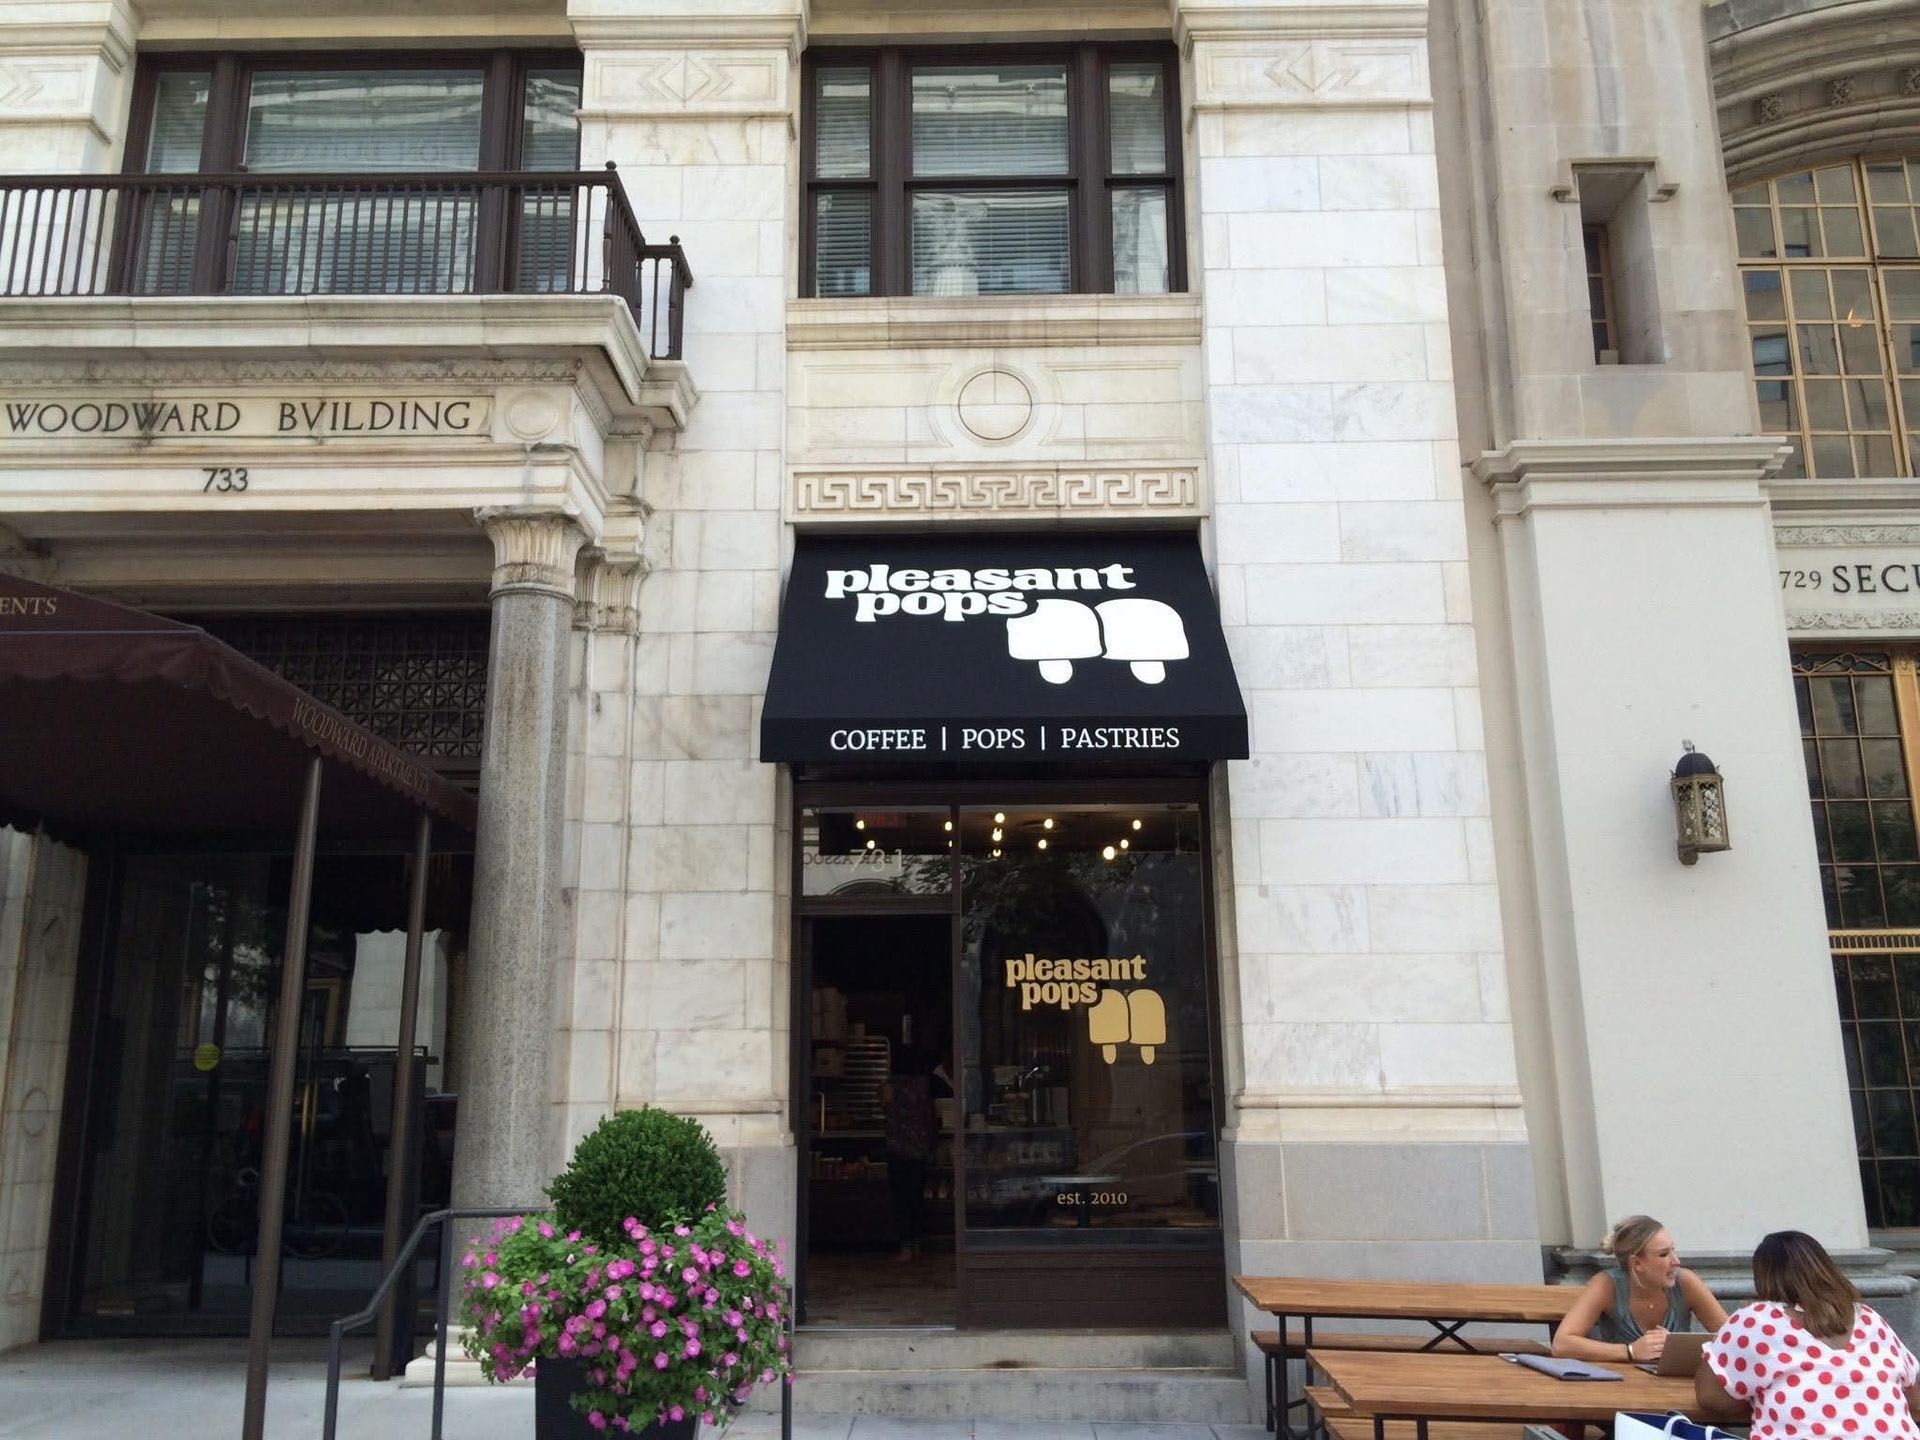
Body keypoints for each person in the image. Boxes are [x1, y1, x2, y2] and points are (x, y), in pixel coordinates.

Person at [1698, 1230, 1920, 1438]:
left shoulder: (1756, 1320)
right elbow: (1912, 1396)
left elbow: (1711, 1397)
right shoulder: (1870, 1319)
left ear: (1763, 1277)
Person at [1552, 1214, 1727, 1364]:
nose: (1676, 1261)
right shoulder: (1606, 1285)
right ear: (1637, 1263)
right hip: (1622, 1391)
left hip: (1678, 1389)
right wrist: (1630, 1351)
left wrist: (1678, 1346)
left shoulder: (1686, 1282)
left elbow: (1733, 1338)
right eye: (1664, 1254)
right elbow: (1561, 1344)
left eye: (1673, 1251)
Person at [882, 1039, 946, 1261]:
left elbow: (885, 1109)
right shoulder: (924, 1084)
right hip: (918, 1146)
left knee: (901, 1198)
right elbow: (931, 1115)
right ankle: (917, 1242)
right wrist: (932, 1142)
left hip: (897, 1146)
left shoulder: (890, 1085)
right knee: (916, 1196)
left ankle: (905, 1244)